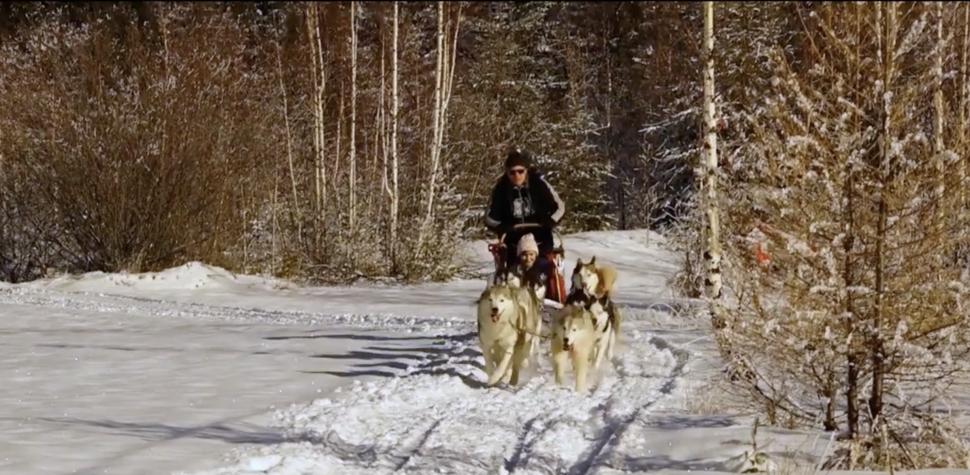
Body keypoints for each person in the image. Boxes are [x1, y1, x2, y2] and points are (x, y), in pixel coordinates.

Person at [485, 148, 565, 270]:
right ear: (507, 173)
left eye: (520, 171)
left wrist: (550, 220)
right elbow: (490, 217)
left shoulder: (539, 184)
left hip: (541, 239)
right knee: (511, 271)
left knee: (545, 269)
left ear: (526, 170)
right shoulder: (500, 189)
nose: (517, 175)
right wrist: (503, 226)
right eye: (512, 172)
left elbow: (559, 207)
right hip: (513, 242)